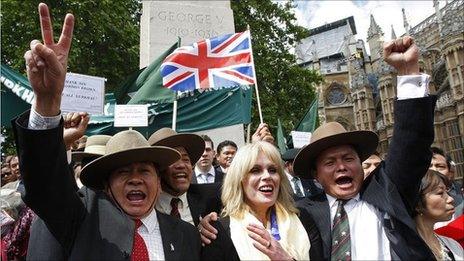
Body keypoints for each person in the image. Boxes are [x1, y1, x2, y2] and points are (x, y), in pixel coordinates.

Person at [201, 36, 438, 260]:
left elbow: (412, 143)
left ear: (360, 162)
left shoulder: (387, 191)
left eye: (348, 158)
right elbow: (255, 207)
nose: (341, 167)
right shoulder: (302, 215)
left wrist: (408, 73)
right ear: (315, 174)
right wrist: (210, 226)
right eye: (330, 162)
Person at [17, 3, 201, 260]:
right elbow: (44, 186)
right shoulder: (82, 220)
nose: (135, 179)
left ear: (159, 182)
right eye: (123, 171)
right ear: (106, 184)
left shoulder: (187, 235)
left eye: (144, 171)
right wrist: (47, 102)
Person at [201, 141, 320, 260]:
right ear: (239, 180)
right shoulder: (217, 230)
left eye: (273, 170)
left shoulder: (302, 217)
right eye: (255, 170)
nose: (267, 176)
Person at [149, 128, 222, 226]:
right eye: (172, 160)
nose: (181, 165)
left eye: (186, 159)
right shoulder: (143, 206)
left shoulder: (210, 197)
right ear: (156, 169)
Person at [414, 170, 463, 260]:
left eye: (447, 192)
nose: (450, 199)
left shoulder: (452, 245)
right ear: (417, 203)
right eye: (440, 193)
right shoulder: (402, 248)